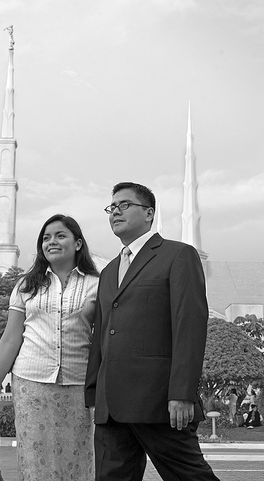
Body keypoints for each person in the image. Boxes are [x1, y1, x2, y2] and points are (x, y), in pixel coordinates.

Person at [85, 182, 220, 481]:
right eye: (112, 207)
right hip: (111, 407)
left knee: (191, 477)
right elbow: (103, 334)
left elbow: (189, 326)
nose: (115, 211)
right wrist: (94, 391)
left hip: (159, 403)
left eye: (124, 205)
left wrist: (182, 393)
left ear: (148, 213)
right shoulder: (108, 272)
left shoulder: (177, 255)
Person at [0, 214, 99, 481]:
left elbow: (104, 336)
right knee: (35, 462)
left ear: (78, 243)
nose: (52, 242)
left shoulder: (98, 283)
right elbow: (11, 338)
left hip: (80, 385)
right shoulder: (27, 284)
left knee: (81, 460)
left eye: (60, 236)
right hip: (32, 385)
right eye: (46, 238)